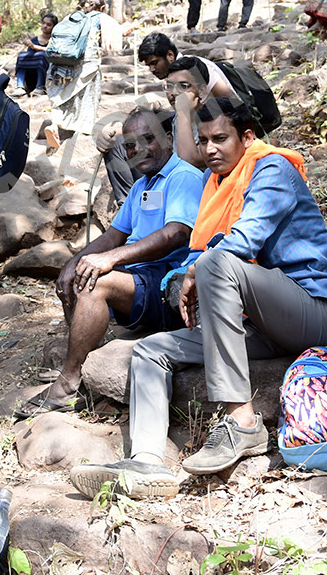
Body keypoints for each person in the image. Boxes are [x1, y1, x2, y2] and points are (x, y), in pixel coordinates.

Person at [69, 98, 327, 499]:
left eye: (221, 138)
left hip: (315, 311)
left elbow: (243, 240)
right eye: (203, 141)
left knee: (215, 262)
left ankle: (242, 424)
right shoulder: (215, 183)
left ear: (247, 137)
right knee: (150, 351)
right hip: (262, 321)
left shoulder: (271, 168)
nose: (210, 149)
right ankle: (147, 462)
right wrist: (192, 270)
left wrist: (195, 269)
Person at [15, 109, 203, 419]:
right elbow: (115, 234)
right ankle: (85, 363)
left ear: (168, 139)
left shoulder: (182, 176)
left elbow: (175, 234)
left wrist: (110, 259)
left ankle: (68, 383)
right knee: (81, 273)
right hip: (140, 277)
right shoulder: (143, 184)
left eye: (147, 140)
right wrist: (75, 261)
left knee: (96, 281)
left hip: (170, 281)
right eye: (130, 145)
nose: (137, 150)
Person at [95, 33, 235, 204]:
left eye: (154, 63)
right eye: (169, 87)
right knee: (119, 145)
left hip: (194, 188)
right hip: (175, 168)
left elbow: (190, 161)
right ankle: (131, 207)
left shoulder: (198, 75)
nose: (152, 70)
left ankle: (145, 206)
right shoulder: (177, 115)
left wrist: (185, 112)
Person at [45, 0, 103, 146]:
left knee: (63, 95)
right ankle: (84, 130)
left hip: (62, 63)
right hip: (87, 63)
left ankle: (55, 124)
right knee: (88, 95)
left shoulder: (70, 18)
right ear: (102, 7)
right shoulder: (100, 19)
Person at [15, 12, 55, 95]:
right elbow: (29, 58)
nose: (45, 26)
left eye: (49, 24)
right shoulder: (34, 40)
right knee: (22, 56)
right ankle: (20, 86)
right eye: (43, 23)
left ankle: (40, 87)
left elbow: (52, 52)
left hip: (47, 76)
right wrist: (30, 45)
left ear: (54, 27)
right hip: (32, 77)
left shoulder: (54, 40)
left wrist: (36, 47)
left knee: (42, 56)